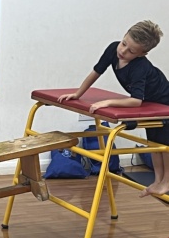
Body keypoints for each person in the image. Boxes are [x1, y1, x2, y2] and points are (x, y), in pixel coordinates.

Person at [58, 20, 169, 198]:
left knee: (165, 145)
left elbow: (135, 101)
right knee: (154, 144)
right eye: (124, 43)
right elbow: (96, 72)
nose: (123, 51)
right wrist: (77, 94)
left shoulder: (140, 67)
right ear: (124, 36)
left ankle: (166, 183)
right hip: (150, 103)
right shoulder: (113, 49)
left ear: (142, 54)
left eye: (131, 51)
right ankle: (157, 181)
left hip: (164, 102)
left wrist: (108, 102)